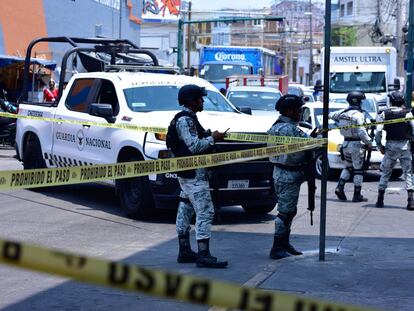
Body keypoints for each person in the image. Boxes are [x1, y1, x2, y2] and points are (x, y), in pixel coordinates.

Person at [166, 84, 228, 268]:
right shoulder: (185, 120)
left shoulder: (189, 119)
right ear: (191, 101)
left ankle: (184, 250)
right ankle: (203, 254)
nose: (202, 101)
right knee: (206, 211)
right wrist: (213, 138)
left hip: (190, 173)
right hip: (193, 175)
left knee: (185, 208)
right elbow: (194, 147)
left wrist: (207, 135)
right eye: (200, 98)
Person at [267, 94, 308, 260]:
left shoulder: (275, 126)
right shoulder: (290, 129)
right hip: (289, 174)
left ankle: (284, 243)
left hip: (279, 172)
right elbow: (308, 144)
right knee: (284, 213)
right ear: (291, 111)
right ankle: (277, 247)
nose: (300, 114)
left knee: (289, 210)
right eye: (299, 110)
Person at [330, 91, 373, 202]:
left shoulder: (342, 113)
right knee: (358, 170)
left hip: (345, 144)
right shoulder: (358, 115)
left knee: (348, 167)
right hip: (356, 145)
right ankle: (357, 195)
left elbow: (331, 115)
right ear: (357, 101)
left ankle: (340, 187)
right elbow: (362, 131)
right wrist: (368, 142)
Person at [375, 91, 414, 210]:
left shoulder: (384, 114)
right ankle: (411, 201)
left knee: (386, 172)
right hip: (404, 146)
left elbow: (378, 131)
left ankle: (380, 199)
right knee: (408, 172)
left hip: (390, 147)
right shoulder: (407, 114)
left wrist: (379, 145)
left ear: (391, 101)